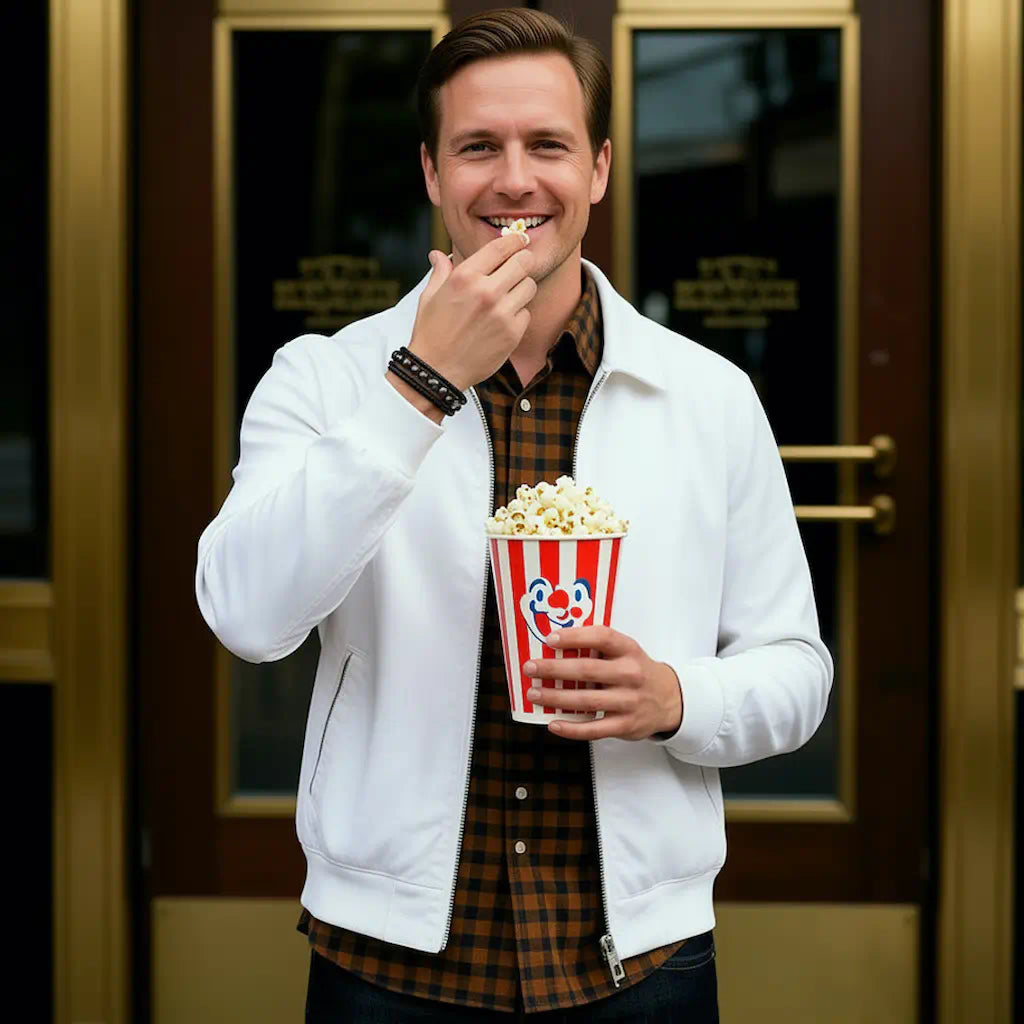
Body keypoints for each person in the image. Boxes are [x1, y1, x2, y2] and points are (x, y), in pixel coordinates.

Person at [195, 8, 833, 1022]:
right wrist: (419, 384)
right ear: (431, 173)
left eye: (548, 144)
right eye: (477, 147)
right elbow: (244, 613)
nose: (514, 179)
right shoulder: (325, 378)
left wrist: (674, 696)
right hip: (390, 961)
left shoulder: (707, 396)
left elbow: (796, 674)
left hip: (638, 962)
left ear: (600, 169)